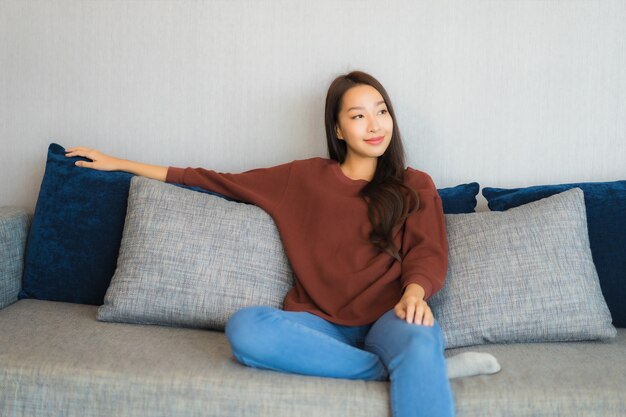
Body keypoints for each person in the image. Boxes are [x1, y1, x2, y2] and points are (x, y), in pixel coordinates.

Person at [66, 71, 499, 417]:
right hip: (319, 322)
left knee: (421, 337)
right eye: (358, 115)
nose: (374, 125)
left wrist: (415, 293)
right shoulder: (302, 179)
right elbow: (215, 180)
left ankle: (416, 363)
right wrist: (119, 164)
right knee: (246, 329)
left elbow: (427, 251)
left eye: (381, 111)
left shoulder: (413, 184)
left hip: (392, 314)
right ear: (338, 129)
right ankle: (410, 373)